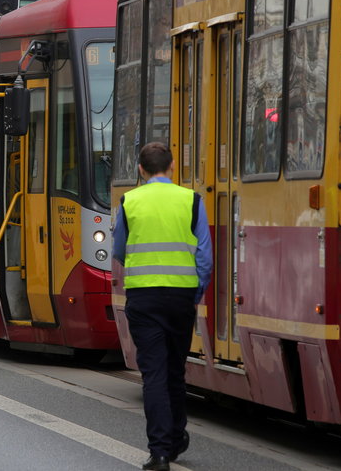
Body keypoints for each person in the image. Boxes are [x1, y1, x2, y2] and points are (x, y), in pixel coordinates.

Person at [112, 142, 213, 471]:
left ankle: (159, 452)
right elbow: (205, 259)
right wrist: (194, 294)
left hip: (143, 298)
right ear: (171, 168)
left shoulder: (130, 201)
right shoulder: (191, 200)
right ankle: (176, 438)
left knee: (153, 374)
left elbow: (119, 250)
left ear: (140, 170)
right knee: (175, 371)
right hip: (181, 298)